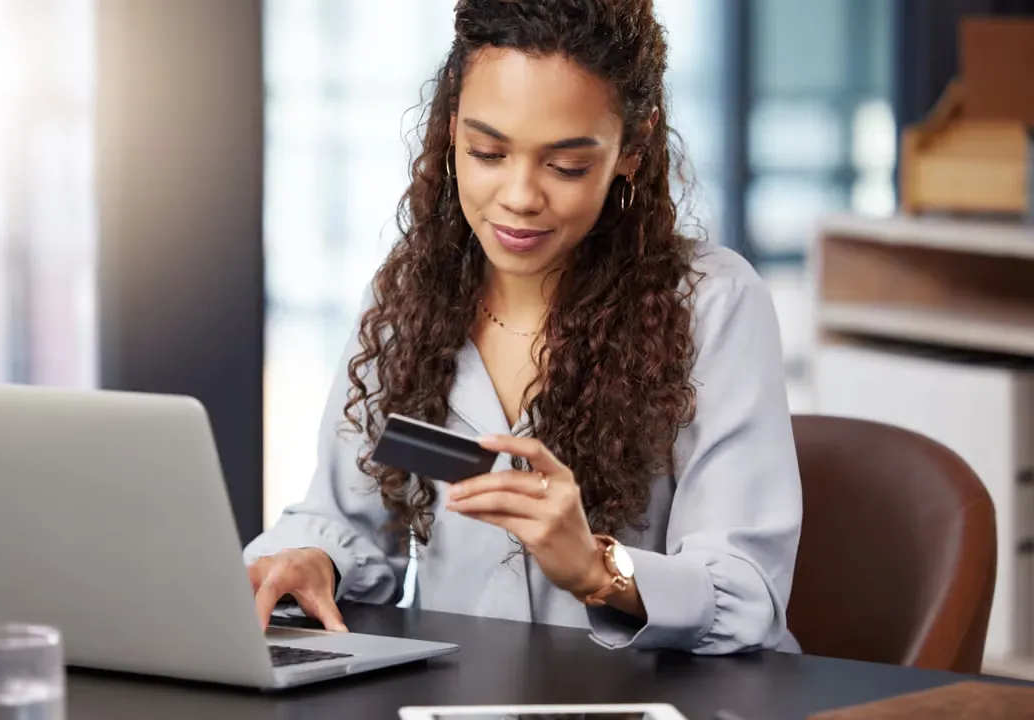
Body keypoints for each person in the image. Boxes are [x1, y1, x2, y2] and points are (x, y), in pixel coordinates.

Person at [244, 0, 802, 655]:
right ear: (452, 129)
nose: (519, 196)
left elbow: (747, 593)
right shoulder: (410, 294)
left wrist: (600, 571)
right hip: (455, 697)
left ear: (634, 149)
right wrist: (311, 560)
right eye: (487, 151)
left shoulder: (713, 304)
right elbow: (346, 519)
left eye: (566, 166)